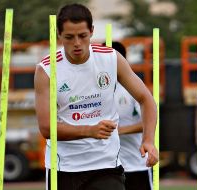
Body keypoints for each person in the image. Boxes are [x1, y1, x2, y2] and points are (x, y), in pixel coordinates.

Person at [34, 3, 158, 190]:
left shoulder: (111, 58)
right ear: (59, 34)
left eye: (82, 36)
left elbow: (146, 99)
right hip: (63, 167)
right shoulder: (46, 70)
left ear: (91, 31)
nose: (77, 43)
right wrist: (89, 130)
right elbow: (46, 127)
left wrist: (148, 140)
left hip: (106, 165)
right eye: (69, 37)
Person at [111, 42, 153, 190]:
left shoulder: (133, 88)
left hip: (136, 164)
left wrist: (119, 131)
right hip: (108, 167)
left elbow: (148, 121)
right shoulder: (97, 88)